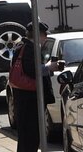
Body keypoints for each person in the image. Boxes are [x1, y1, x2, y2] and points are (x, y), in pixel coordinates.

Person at [10, 21, 63, 152]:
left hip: (24, 99)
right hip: (30, 100)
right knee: (31, 136)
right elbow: (32, 71)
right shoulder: (30, 49)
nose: (46, 38)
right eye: (45, 35)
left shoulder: (22, 47)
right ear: (38, 35)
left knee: (28, 137)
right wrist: (50, 67)